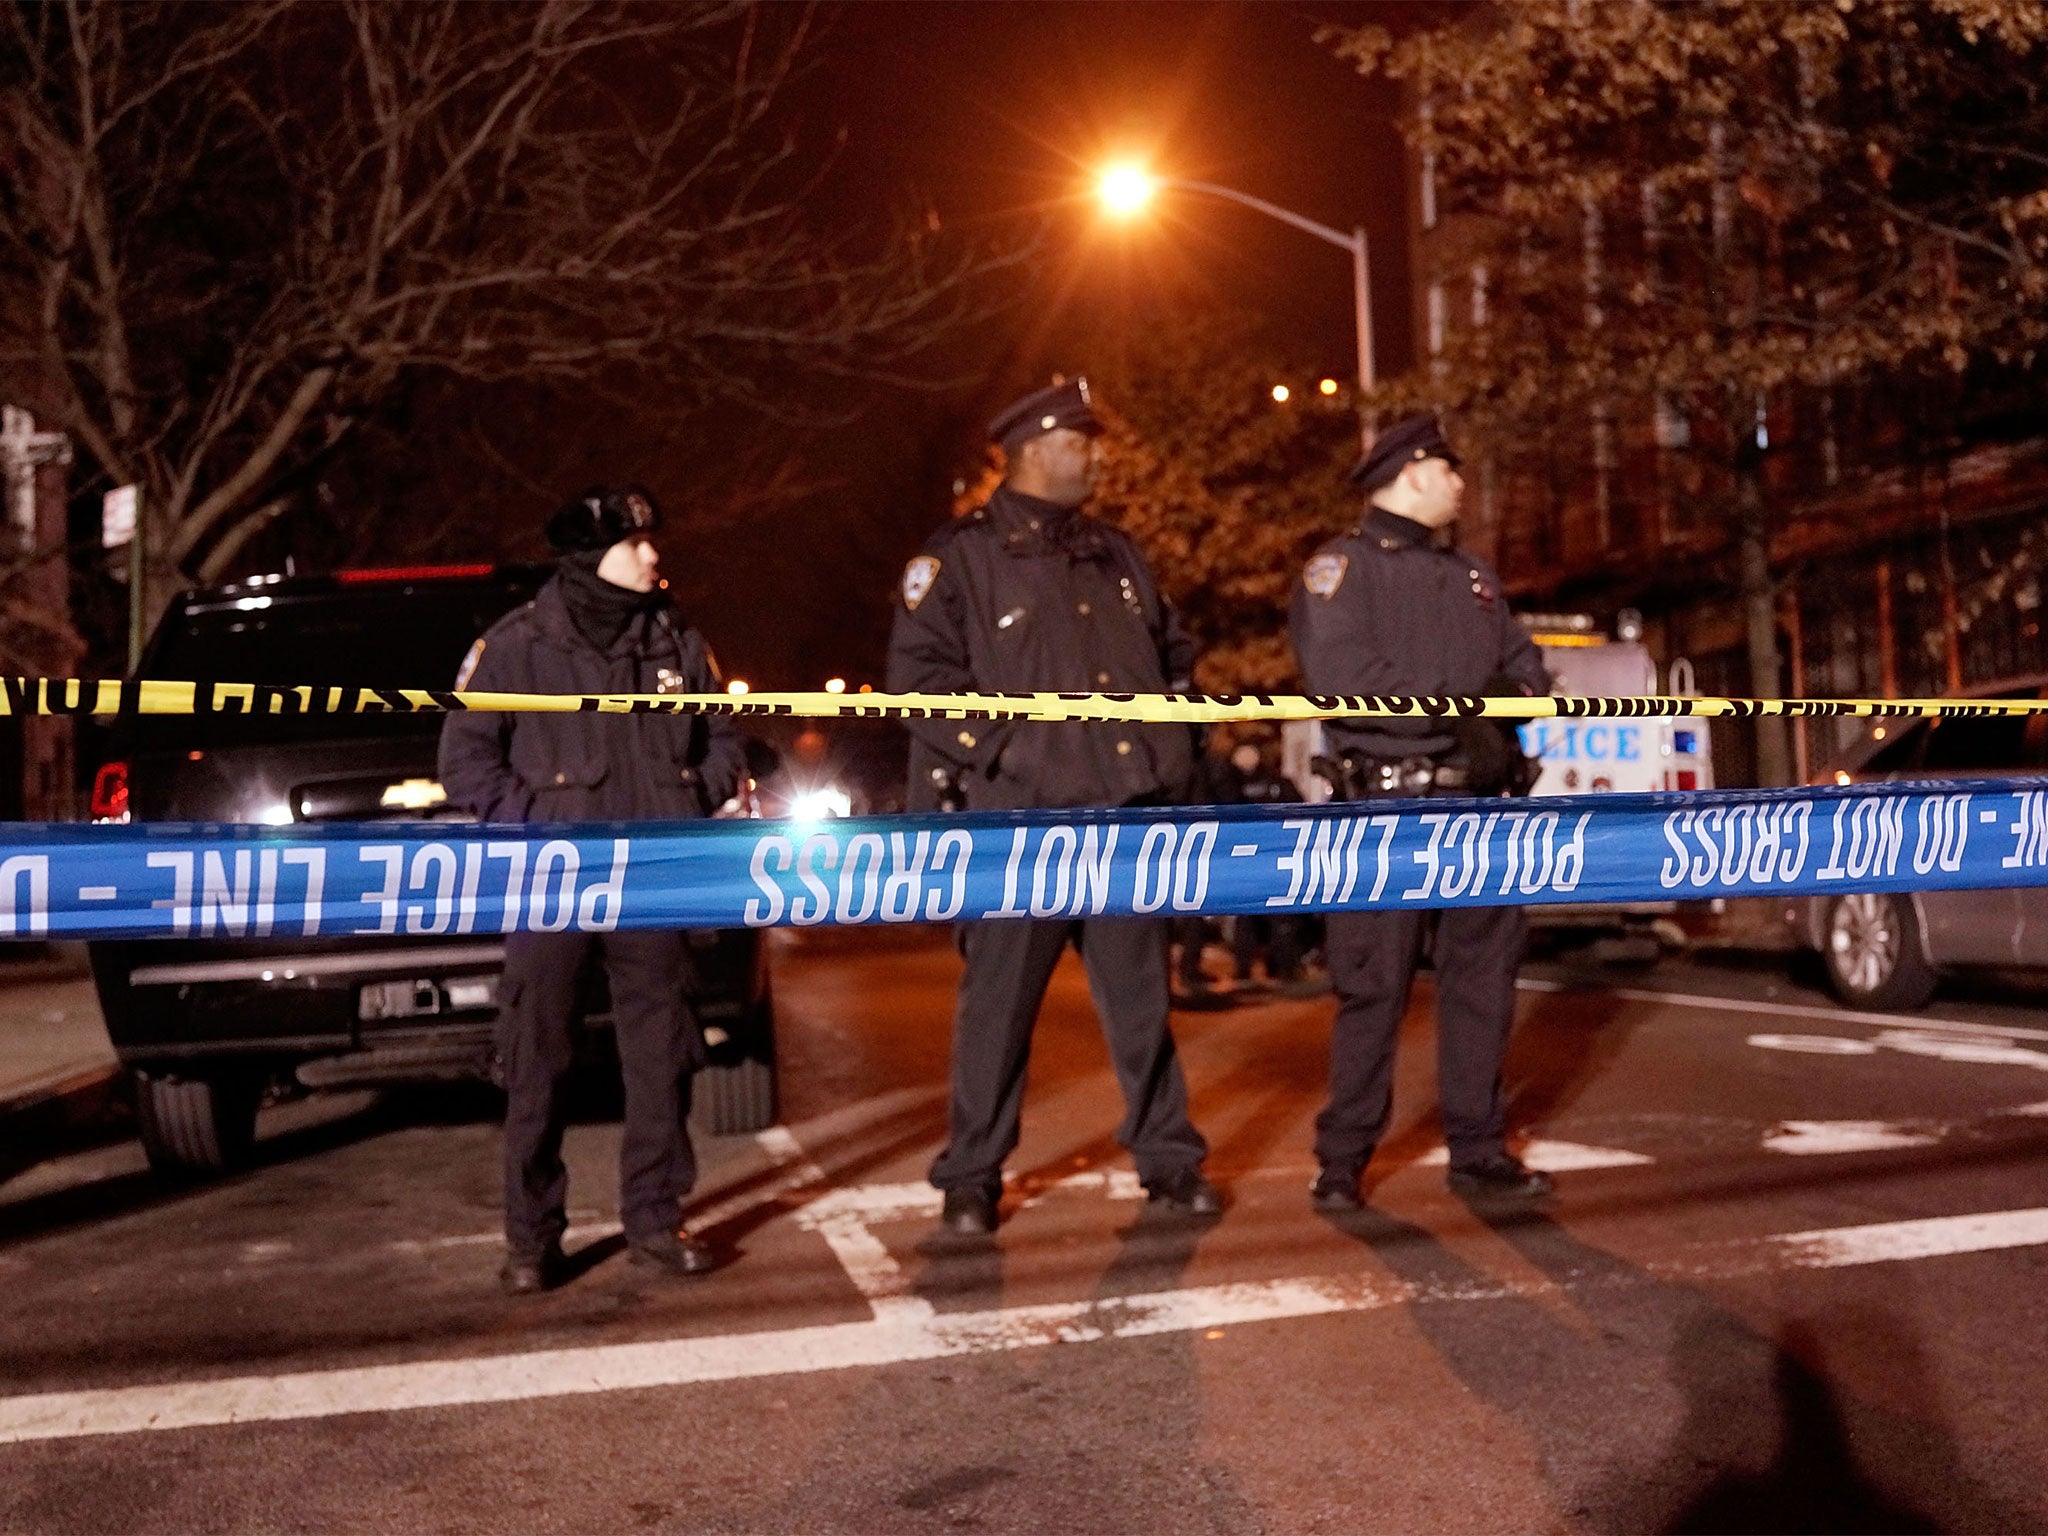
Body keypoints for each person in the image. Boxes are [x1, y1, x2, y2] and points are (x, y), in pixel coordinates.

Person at [887, 377, 1221, 1236]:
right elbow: (921, 685)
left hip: (1120, 816)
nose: (1099, 456)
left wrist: (1175, 744)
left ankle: (1170, 1161)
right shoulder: (959, 557)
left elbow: (1173, 655)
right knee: (996, 1013)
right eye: (1083, 443)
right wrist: (1010, 751)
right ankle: (971, 1178)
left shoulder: (1117, 554)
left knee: (1143, 1006)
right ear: (1035, 451)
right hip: (1021, 825)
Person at [439, 484, 746, 1294]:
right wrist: (536, 817)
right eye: (636, 543)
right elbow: (465, 760)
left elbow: (724, 740)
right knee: (538, 1058)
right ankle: (532, 1241)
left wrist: (690, 789)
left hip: (652, 877)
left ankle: (654, 1220)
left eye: (653, 539)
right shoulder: (516, 647)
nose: (654, 554)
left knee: (661, 1057)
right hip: (553, 881)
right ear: (588, 558)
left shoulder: (677, 640)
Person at [1288, 415, 1554, 1212]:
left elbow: (1529, 674)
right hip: (1386, 808)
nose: (1461, 484)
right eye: (1450, 469)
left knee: (1483, 985)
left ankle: (1478, 1150)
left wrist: (1483, 715)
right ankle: (1343, 1159)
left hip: (1477, 805)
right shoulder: (1341, 569)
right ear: (1410, 474)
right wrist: (1469, 717)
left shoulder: (1474, 577)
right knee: (1374, 990)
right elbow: (1346, 682)